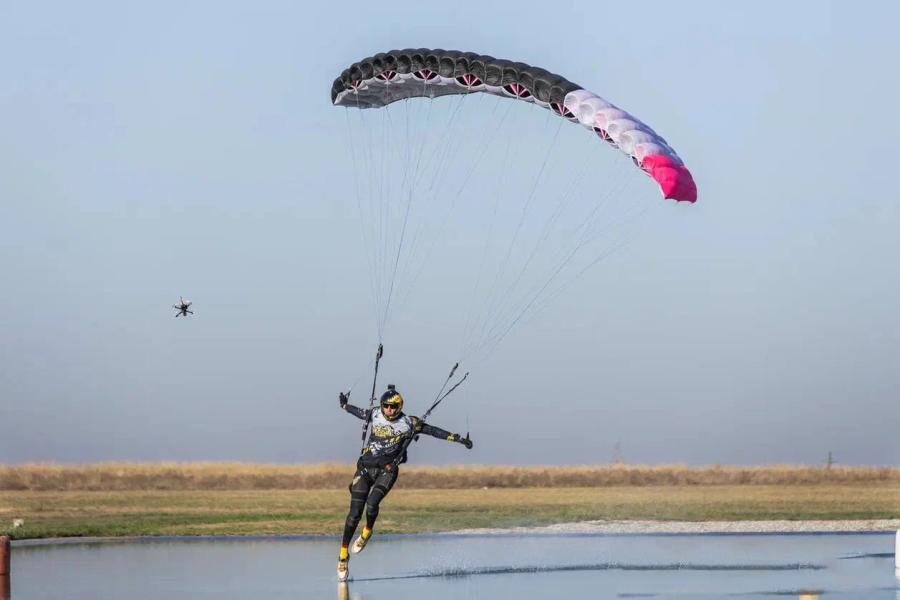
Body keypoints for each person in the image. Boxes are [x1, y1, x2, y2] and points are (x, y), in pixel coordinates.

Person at [336, 384, 473, 581]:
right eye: (385, 406)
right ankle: (343, 556)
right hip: (365, 468)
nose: (388, 410)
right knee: (354, 514)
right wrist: (344, 405)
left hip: (387, 471)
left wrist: (458, 439)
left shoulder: (409, 422)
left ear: (399, 406)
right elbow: (356, 411)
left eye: (392, 407)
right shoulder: (374, 414)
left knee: (372, 503)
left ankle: (367, 532)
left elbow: (434, 431)